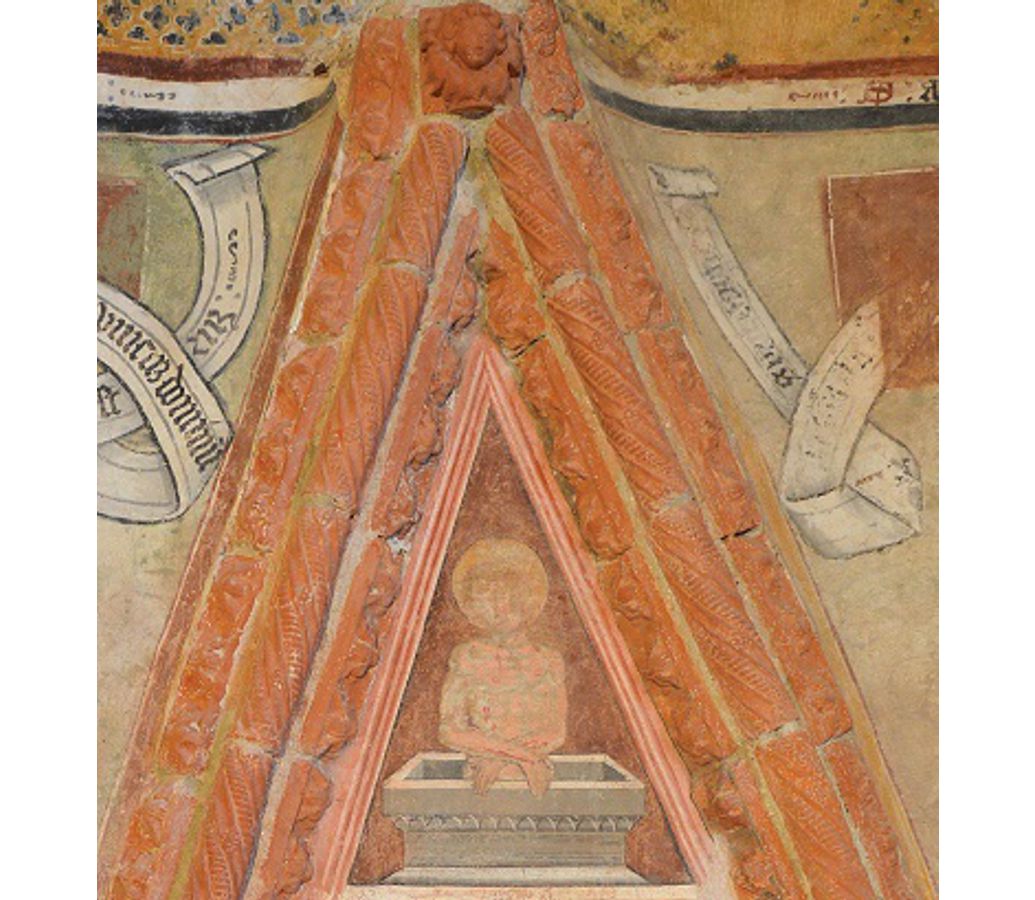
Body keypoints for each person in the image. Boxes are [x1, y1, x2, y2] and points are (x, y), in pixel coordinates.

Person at [439, 538, 567, 796]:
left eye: (506, 592)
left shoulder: (548, 660)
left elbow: (556, 730)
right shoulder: (467, 658)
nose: (498, 606)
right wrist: (517, 756)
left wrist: (506, 761)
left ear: (524, 597)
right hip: (481, 780)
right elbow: (450, 730)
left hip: (536, 780)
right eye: (486, 594)